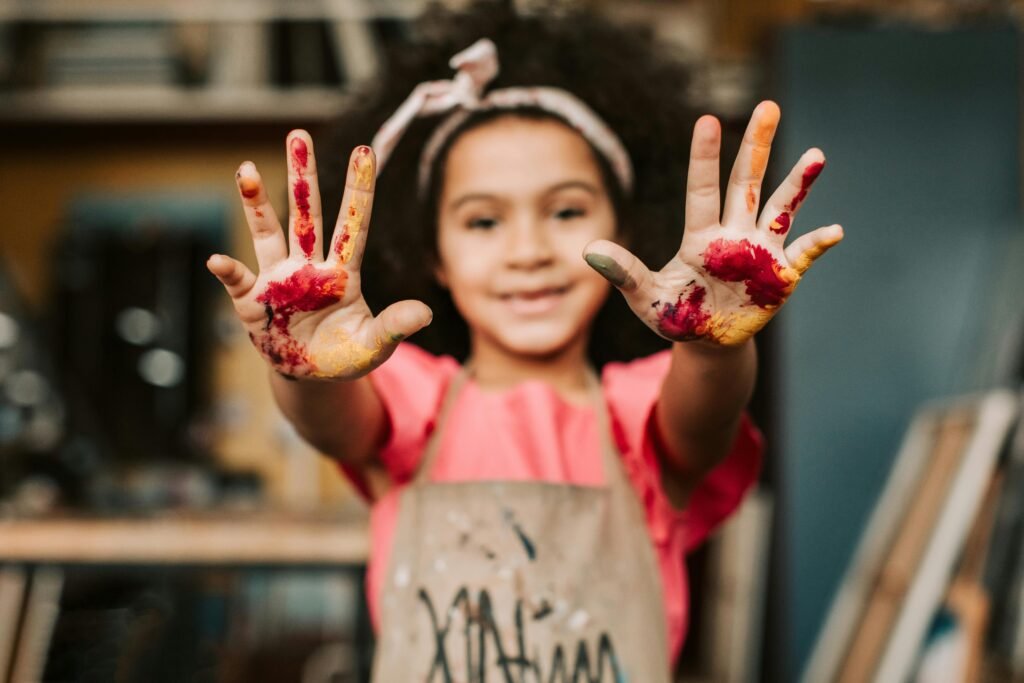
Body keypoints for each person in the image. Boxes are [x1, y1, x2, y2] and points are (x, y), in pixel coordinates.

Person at [206, 3, 842, 680]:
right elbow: (338, 420)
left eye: (566, 210)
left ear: (624, 226)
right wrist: (304, 370)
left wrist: (712, 342)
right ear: (434, 256)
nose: (529, 249)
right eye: (483, 221)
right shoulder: (414, 399)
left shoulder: (640, 410)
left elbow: (706, 412)